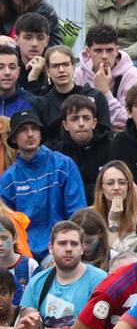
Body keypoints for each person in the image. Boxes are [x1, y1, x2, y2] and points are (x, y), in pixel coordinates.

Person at [0, 110, 87, 260]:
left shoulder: (63, 165)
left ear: (41, 133)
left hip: (64, 248)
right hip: (24, 255)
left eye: (34, 128)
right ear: (13, 138)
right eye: (23, 129)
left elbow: (77, 214)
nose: (30, 134)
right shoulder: (8, 180)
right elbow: (7, 227)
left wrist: (65, 247)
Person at [22, 220, 107, 329]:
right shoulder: (38, 281)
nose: (68, 249)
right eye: (62, 243)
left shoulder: (99, 280)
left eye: (74, 244)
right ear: (50, 248)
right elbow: (26, 325)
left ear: (82, 249)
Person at [36, 47, 114, 144]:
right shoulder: (42, 103)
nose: (61, 70)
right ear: (47, 70)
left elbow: (105, 134)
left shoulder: (95, 97)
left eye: (65, 64)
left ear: (73, 66)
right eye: (55, 66)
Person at [74, 25, 137, 124]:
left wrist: (105, 92)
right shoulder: (78, 74)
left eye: (109, 50)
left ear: (117, 50)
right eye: (98, 50)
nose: (104, 56)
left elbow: (128, 121)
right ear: (88, 52)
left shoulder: (133, 76)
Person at [92, 160, 137, 264]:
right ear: (101, 189)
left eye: (122, 182)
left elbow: (123, 255)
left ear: (128, 187)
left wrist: (113, 222)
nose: (116, 187)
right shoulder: (91, 215)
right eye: (110, 183)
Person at [0, 43, 35, 118]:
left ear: (18, 71)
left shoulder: (31, 102)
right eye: (0, 67)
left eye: (12, 67)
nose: (7, 72)